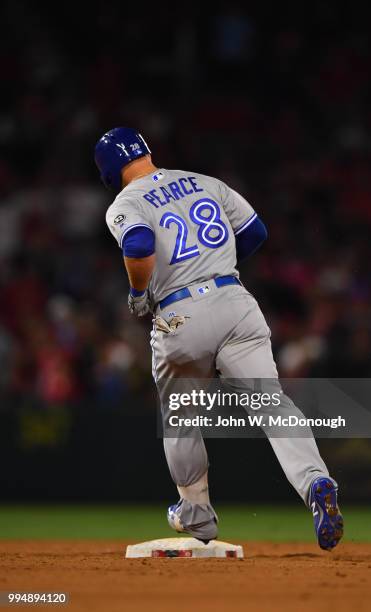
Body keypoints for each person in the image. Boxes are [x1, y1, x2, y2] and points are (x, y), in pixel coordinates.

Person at [95, 127, 343, 550]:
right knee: (272, 403)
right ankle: (316, 481)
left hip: (180, 314)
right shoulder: (204, 182)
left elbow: (137, 242)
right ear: (147, 152)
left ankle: (196, 514)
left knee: (181, 417)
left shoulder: (127, 201)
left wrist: (139, 294)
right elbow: (254, 232)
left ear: (107, 171)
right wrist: (215, 267)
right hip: (235, 301)